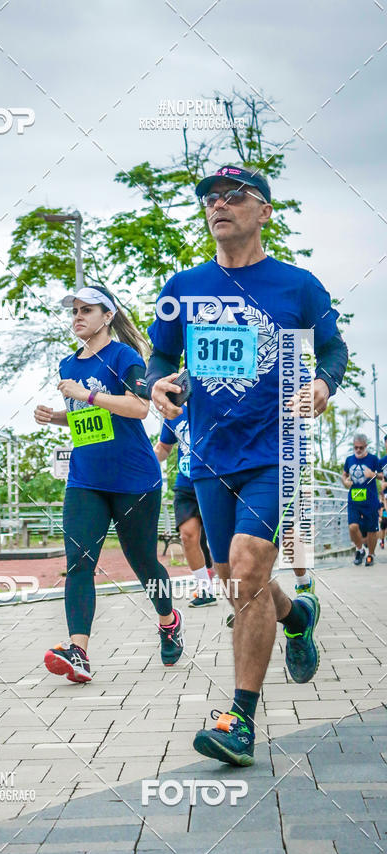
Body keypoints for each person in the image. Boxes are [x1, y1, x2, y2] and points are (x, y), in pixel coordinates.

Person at [146, 164, 348, 766]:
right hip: (208, 456)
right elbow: (159, 354)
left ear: (264, 212)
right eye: (211, 197)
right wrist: (158, 384)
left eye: (234, 196)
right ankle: (297, 615)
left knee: (247, 565)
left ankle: (240, 720)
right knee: (236, 583)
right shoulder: (184, 287)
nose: (219, 204)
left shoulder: (297, 286)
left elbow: (333, 348)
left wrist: (322, 383)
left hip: (272, 451)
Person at [35, 284, 183, 683]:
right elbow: (88, 418)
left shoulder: (125, 357)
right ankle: (78, 652)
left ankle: (168, 621)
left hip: (134, 479)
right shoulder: (68, 364)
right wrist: (57, 417)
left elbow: (139, 408)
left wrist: (86, 394)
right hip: (86, 479)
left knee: (144, 563)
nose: (78, 316)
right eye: (74, 310)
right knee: (79, 562)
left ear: (108, 316)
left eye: (87, 310)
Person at [154, 409, 216, 607]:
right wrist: (145, 460)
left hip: (216, 479)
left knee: (225, 539)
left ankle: (244, 587)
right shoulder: (173, 410)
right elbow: (164, 447)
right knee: (188, 536)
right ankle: (205, 589)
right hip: (186, 482)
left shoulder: (214, 400)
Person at [342, 433, 383, 566]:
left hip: (370, 500)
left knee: (372, 530)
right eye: (356, 447)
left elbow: (382, 476)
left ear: (366, 446)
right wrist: (345, 482)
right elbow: (344, 475)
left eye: (361, 447)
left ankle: (370, 554)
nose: (358, 450)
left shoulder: (373, 459)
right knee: (352, 527)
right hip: (354, 499)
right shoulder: (349, 459)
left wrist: (373, 474)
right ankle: (360, 550)